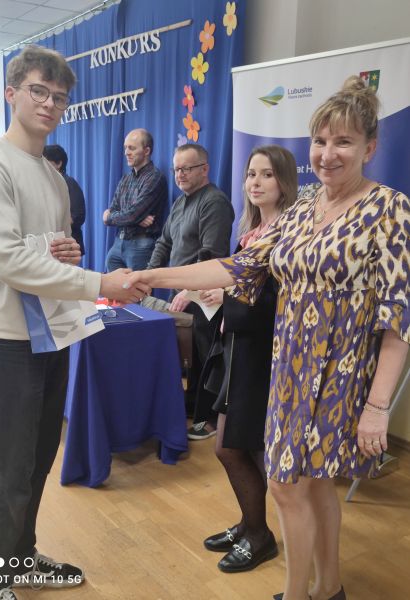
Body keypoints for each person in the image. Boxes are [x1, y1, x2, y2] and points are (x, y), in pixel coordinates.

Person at [126, 76, 410, 600]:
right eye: (320, 141)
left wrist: (377, 407)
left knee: (287, 485)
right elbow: (237, 267)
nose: (327, 154)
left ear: (370, 148)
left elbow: (397, 318)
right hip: (289, 366)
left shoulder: (389, 208)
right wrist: (151, 276)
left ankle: (298, 594)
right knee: (313, 484)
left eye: (343, 142)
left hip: (342, 373)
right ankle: (329, 589)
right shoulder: (303, 207)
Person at [0, 45, 150, 600]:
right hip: (7, 342)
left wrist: (66, 251)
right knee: (8, 473)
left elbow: (52, 249)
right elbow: (10, 262)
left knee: (39, 460)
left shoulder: (51, 175)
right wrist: (99, 281)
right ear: (11, 93)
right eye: (38, 91)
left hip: (53, 334)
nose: (49, 104)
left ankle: (20, 559)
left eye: (59, 97)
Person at [200, 145, 297, 573]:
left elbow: (272, 302)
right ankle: (249, 524)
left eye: (267, 175)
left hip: (261, 356)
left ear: (285, 182)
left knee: (234, 449)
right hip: (238, 349)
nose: (255, 182)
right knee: (233, 447)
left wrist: (228, 291)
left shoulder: (286, 234)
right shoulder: (251, 229)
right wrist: (224, 291)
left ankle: (259, 534)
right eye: (251, 174)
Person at [147, 143, 234, 437]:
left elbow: (211, 254)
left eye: (187, 168)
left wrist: (189, 290)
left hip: (204, 296)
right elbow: (164, 243)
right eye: (177, 169)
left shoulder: (214, 202)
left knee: (205, 358)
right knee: (189, 358)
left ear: (205, 169)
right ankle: (192, 405)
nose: (180, 174)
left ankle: (208, 420)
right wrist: (147, 277)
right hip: (182, 292)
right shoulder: (180, 202)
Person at [103, 128, 167, 271]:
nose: (126, 152)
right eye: (125, 148)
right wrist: (138, 219)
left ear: (147, 151)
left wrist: (109, 218)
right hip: (119, 242)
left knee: (139, 285)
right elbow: (114, 208)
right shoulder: (125, 178)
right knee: (112, 282)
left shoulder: (155, 177)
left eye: (131, 148)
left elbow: (132, 214)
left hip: (141, 244)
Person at [43, 144, 86, 255]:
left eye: (46, 162)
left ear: (59, 164)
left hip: (68, 243)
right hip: (51, 243)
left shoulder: (69, 183)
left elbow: (78, 216)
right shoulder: (46, 185)